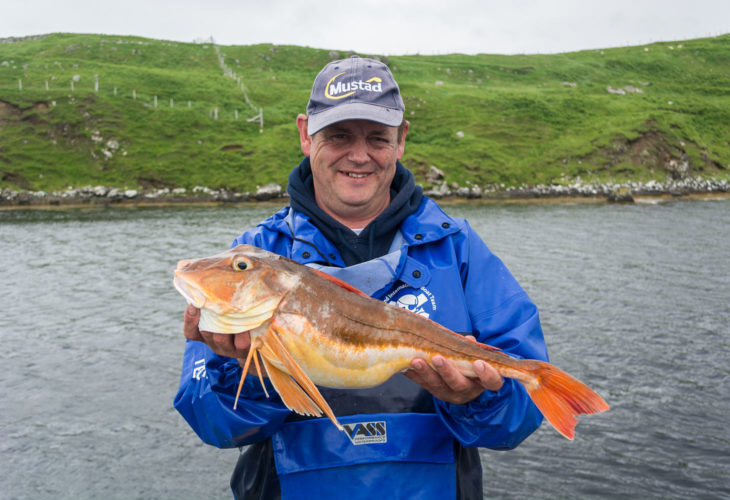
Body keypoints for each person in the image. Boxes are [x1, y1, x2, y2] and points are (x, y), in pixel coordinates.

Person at [174, 56, 549, 500]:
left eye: (377, 138)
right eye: (338, 136)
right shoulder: (256, 254)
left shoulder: (458, 249)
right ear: (305, 135)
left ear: (401, 140)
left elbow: (517, 420)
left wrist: (476, 399)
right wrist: (254, 371)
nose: (359, 155)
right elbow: (213, 424)